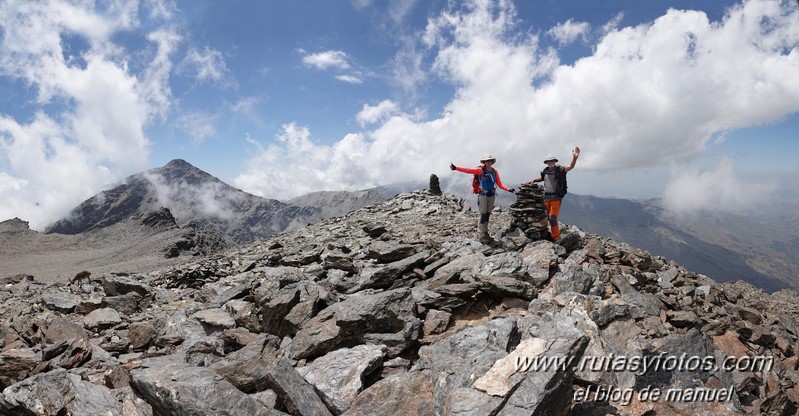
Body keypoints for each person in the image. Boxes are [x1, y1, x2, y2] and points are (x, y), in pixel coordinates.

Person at [450, 154, 515, 243]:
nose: (488, 162)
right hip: (483, 195)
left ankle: (485, 232)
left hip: (492, 194)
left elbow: (499, 184)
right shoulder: (480, 170)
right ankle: (482, 234)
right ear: (484, 162)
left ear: (492, 162)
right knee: (483, 214)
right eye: (487, 161)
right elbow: (468, 170)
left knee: (487, 214)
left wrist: (508, 189)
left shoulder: (494, 172)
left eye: (490, 161)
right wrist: (456, 168)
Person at [525, 147, 580, 242]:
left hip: (556, 198)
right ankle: (547, 234)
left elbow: (570, 167)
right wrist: (534, 180)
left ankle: (556, 238)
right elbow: (543, 178)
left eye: (552, 160)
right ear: (546, 162)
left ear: (555, 161)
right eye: (548, 161)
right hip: (547, 198)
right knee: (546, 217)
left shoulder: (560, 169)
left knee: (553, 218)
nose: (550, 162)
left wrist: (575, 158)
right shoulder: (545, 170)